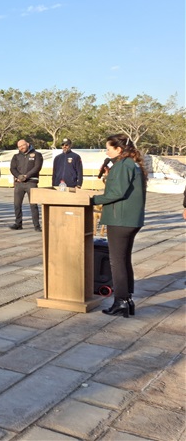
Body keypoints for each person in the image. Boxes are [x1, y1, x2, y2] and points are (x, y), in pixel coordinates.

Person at [90, 134, 146, 318]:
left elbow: (117, 193)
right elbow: (123, 188)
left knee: (117, 262)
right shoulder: (131, 164)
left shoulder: (123, 165)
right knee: (124, 259)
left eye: (108, 148)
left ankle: (121, 301)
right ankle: (127, 299)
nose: (106, 152)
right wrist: (108, 176)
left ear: (119, 150)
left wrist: (92, 200)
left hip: (120, 220)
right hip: (130, 219)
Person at [9, 139, 43, 231]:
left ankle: (36, 226)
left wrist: (26, 176)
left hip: (31, 182)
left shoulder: (37, 155)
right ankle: (18, 223)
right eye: (19, 147)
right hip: (19, 183)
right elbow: (12, 168)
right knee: (17, 204)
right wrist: (18, 176)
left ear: (27, 144)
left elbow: (37, 167)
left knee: (33, 205)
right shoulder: (16, 156)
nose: (21, 148)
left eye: (22, 145)